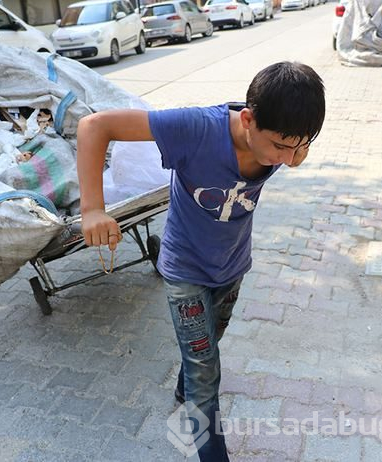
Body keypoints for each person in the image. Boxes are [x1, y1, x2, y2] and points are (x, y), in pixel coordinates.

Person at [76, 61, 326, 461]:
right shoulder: (195, 129)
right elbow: (95, 127)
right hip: (186, 269)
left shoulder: (283, 141)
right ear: (247, 120)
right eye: (281, 146)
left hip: (232, 265)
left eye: (299, 145)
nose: (287, 157)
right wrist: (93, 209)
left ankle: (184, 385)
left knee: (209, 342)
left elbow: (292, 148)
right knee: (206, 373)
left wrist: (295, 150)